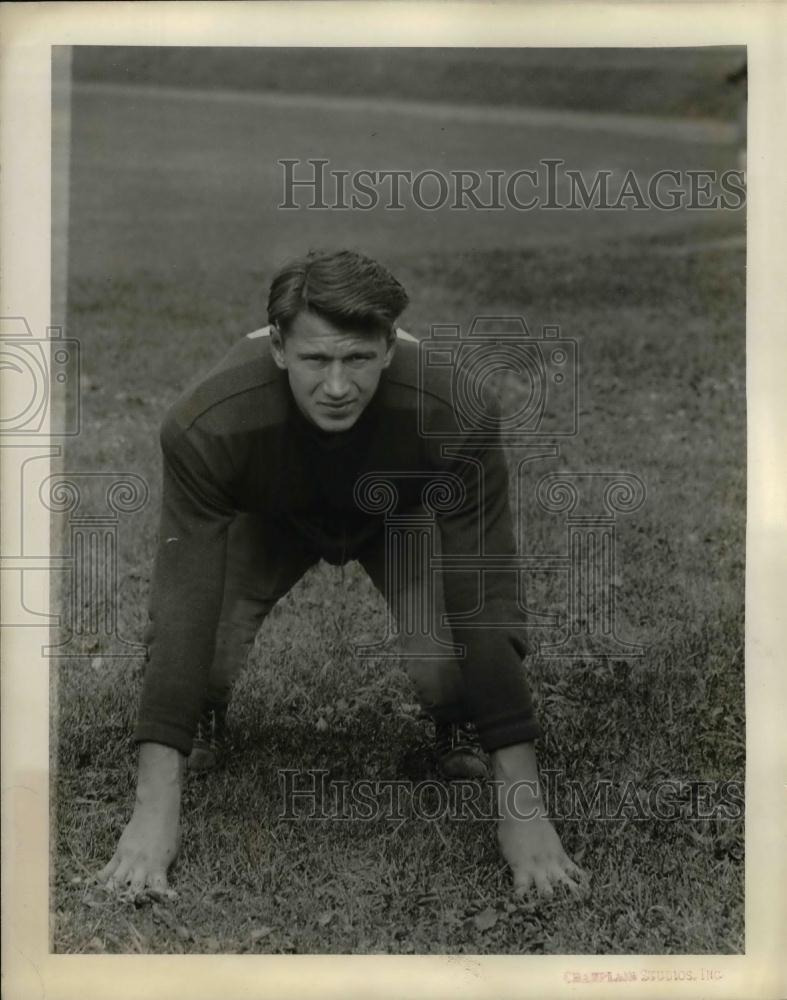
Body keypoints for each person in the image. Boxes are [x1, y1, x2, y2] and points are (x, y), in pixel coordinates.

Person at [99, 249, 585, 898]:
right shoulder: (208, 421)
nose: (336, 386)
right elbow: (184, 598)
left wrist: (522, 808)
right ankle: (205, 714)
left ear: (388, 347)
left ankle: (458, 723)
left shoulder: (454, 407)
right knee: (200, 652)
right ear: (276, 347)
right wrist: (152, 810)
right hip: (272, 514)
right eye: (314, 359)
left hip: (395, 514)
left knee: (447, 668)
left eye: (356, 359)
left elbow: (482, 596)